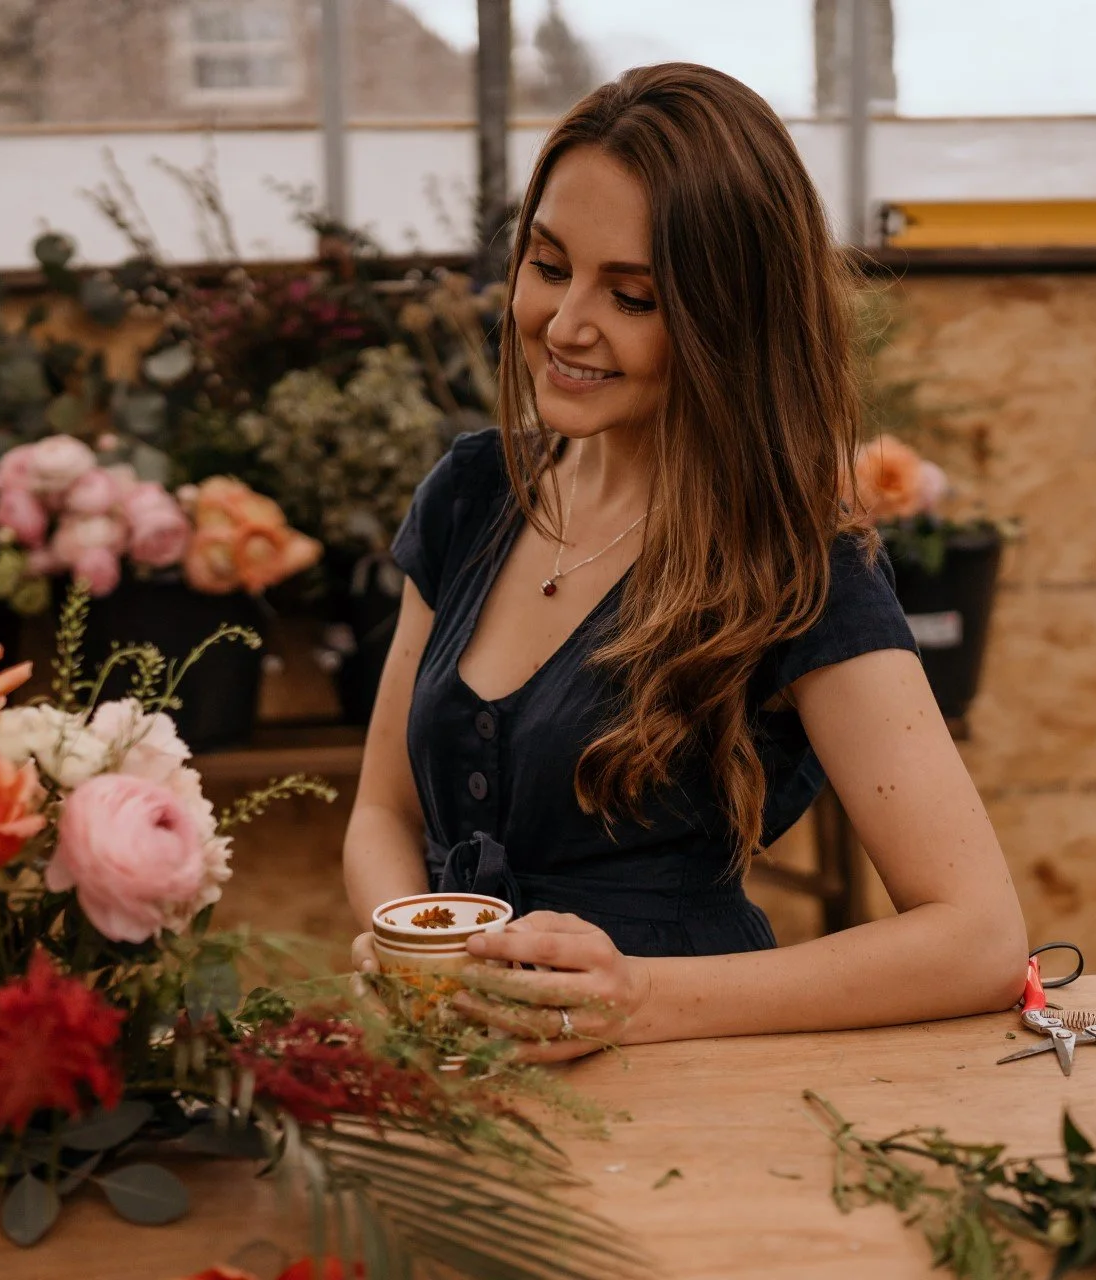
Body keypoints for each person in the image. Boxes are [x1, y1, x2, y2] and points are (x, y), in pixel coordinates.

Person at [342, 64, 1027, 1060]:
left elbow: (980, 937)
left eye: (631, 296)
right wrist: (407, 949)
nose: (567, 323)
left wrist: (641, 1000)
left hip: (689, 1090)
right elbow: (381, 808)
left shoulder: (798, 567)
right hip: (469, 1087)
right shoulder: (470, 494)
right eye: (547, 264)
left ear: (727, 324)